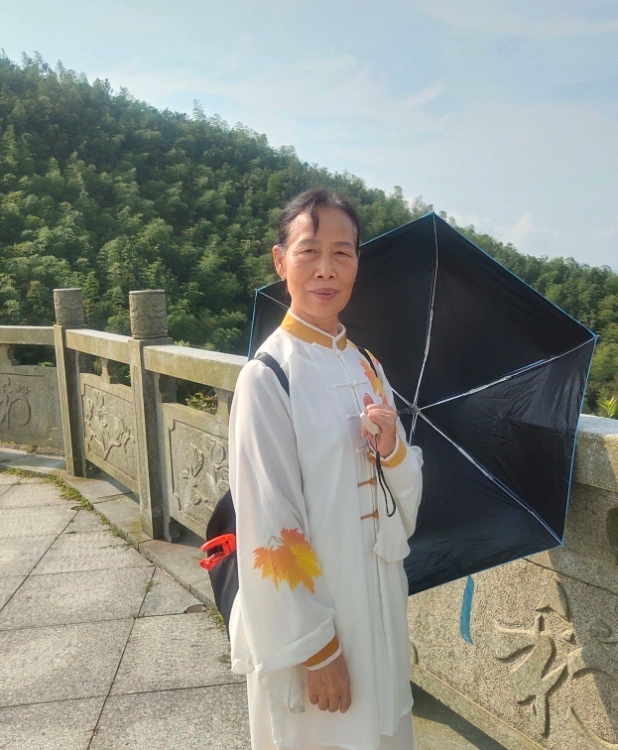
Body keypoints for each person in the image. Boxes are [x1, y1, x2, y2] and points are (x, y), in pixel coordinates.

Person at [227, 188, 424, 750]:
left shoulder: (367, 366)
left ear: (358, 262)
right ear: (280, 261)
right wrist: (317, 649)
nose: (325, 269)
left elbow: (403, 505)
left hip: (378, 611)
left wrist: (392, 450)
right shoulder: (269, 377)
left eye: (342, 252)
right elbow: (268, 522)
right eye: (309, 251)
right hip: (319, 629)